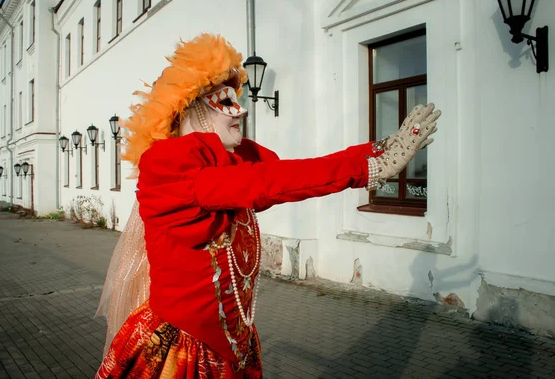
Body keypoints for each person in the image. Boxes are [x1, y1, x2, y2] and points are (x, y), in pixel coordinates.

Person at [94, 33, 441, 379]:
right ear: (193, 108)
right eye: (225, 100)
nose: (240, 110)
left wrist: (372, 156)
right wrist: (367, 165)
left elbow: (277, 175)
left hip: (234, 349)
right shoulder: (170, 169)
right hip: (185, 356)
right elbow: (268, 182)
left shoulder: (226, 171)